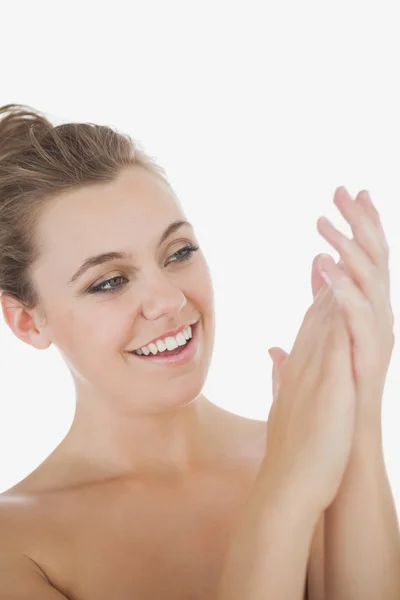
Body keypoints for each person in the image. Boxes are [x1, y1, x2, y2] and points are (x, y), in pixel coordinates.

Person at [0, 103, 398, 600]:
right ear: (25, 320)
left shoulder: (310, 448)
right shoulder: (15, 546)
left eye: (179, 252)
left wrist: (359, 403)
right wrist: (285, 494)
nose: (169, 299)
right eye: (109, 281)